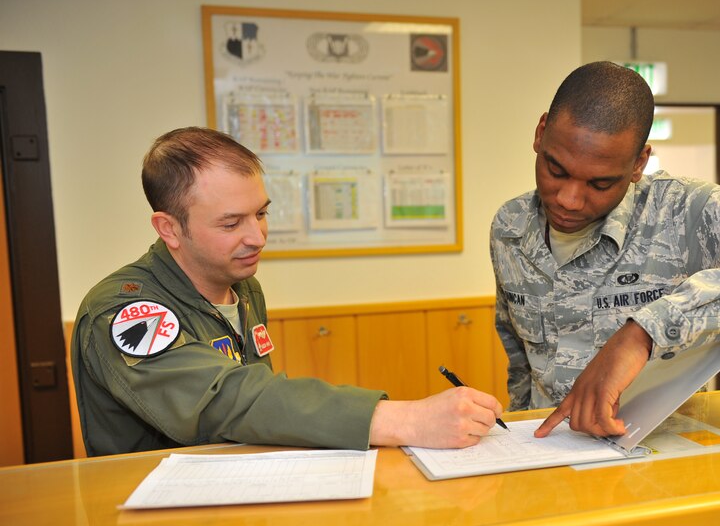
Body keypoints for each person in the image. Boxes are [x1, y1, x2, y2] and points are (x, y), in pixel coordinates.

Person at [72, 126, 502, 457]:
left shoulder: (244, 287)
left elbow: (258, 402)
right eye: (230, 222)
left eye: (261, 214)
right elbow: (224, 400)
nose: (257, 236)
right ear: (169, 228)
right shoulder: (125, 309)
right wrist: (404, 419)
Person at [490, 62, 720, 440]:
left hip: (654, 458)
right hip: (545, 453)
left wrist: (646, 331)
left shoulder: (683, 212)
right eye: (556, 170)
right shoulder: (509, 227)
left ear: (638, 164)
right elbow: (520, 359)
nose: (569, 200)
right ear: (540, 134)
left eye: (600, 183)